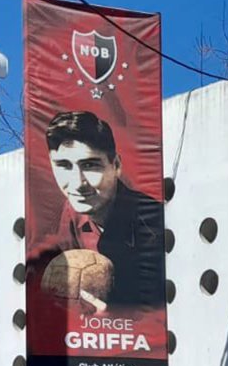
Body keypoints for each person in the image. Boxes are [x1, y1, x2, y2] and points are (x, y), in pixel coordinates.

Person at [32, 110, 164, 310]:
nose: (77, 184)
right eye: (64, 166)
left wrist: (111, 317)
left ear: (116, 165)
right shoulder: (72, 212)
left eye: (90, 165)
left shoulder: (150, 221)